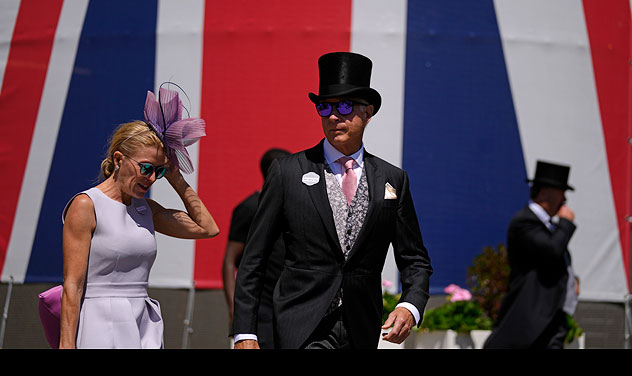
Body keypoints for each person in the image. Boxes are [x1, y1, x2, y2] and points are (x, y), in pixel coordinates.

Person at [232, 51, 432, 349]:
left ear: (368, 111)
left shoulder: (393, 179)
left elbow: (414, 259)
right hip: (300, 325)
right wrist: (244, 332)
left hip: (362, 327)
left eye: (345, 106)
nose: (334, 116)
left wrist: (410, 305)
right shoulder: (288, 172)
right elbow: (254, 258)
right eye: (325, 107)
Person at [59, 86, 219, 349]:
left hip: (143, 322)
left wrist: (176, 178)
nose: (152, 178)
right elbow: (72, 285)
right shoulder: (86, 204)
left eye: (159, 171)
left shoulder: (146, 209)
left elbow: (207, 228)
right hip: (100, 322)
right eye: (146, 168)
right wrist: (67, 345)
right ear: (119, 159)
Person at [484, 160, 579, 349]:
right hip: (531, 321)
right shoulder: (524, 223)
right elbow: (552, 250)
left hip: (551, 318)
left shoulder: (547, 226)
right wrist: (566, 223)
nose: (564, 199)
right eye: (561, 192)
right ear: (545, 192)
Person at [222, 148, 290, 348]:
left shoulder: (295, 207)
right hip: (260, 309)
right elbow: (229, 260)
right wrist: (235, 311)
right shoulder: (250, 208)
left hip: (288, 305)